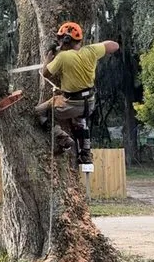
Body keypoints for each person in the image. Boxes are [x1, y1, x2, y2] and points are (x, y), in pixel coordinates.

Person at [35, 22, 119, 164]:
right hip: (89, 104)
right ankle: (85, 152)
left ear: (65, 40)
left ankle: (63, 138)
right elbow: (114, 46)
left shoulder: (62, 57)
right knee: (80, 119)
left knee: (39, 112)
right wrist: (99, 46)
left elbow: (45, 73)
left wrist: (49, 56)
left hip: (70, 104)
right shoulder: (91, 51)